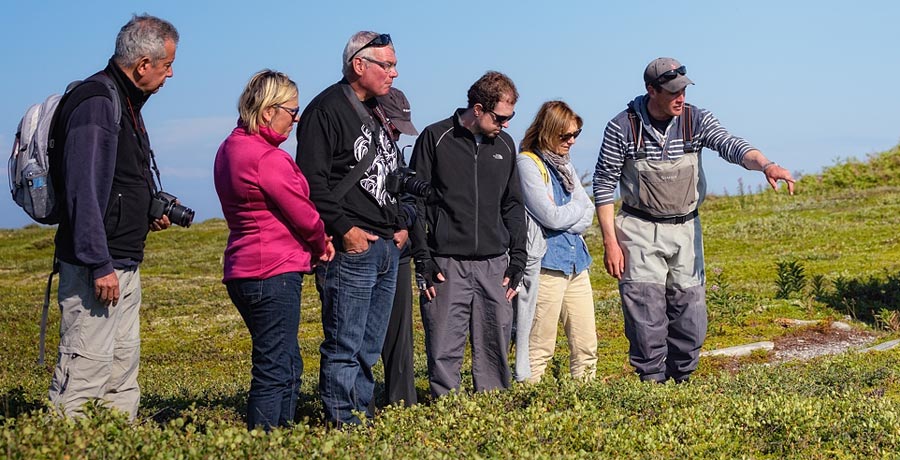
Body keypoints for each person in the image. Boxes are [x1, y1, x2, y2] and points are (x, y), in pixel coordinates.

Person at [593, 57, 795, 383]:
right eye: (672, 91)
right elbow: (603, 184)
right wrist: (610, 242)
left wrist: (766, 165)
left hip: (686, 230)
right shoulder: (622, 127)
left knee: (690, 316)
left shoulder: (695, 120)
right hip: (639, 231)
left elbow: (731, 145)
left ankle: (683, 383)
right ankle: (652, 389)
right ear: (651, 90)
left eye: (683, 90)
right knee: (646, 318)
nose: (680, 97)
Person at [47, 14, 179, 420]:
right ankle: (64, 445)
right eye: (167, 65)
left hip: (121, 260)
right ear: (143, 64)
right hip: (98, 268)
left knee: (121, 367)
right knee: (85, 366)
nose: (170, 75)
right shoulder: (96, 103)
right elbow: (82, 190)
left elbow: (115, 184)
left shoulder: (123, 102)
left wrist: (143, 214)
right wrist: (97, 261)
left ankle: (117, 440)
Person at [295, 31, 408, 426]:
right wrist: (344, 230)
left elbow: (393, 173)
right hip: (351, 249)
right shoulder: (324, 111)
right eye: (387, 64)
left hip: (385, 245)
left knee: (369, 347)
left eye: (394, 64)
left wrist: (401, 225)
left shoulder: (380, 109)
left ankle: (362, 416)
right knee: (344, 344)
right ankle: (344, 425)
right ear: (359, 65)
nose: (394, 73)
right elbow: (311, 180)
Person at [214, 70, 334, 430]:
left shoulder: (229, 148)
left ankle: (279, 434)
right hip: (272, 271)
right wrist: (322, 243)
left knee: (283, 360)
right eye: (292, 112)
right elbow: (303, 213)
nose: (295, 120)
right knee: (274, 367)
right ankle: (267, 439)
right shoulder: (267, 158)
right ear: (268, 111)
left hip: (243, 268)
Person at [410, 71, 526, 397]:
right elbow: (414, 202)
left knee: (495, 349)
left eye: (511, 117)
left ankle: (490, 417)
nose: (506, 124)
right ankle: (447, 416)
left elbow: (513, 205)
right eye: (501, 117)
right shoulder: (435, 138)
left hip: (495, 265)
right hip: (446, 264)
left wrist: (517, 260)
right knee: (443, 347)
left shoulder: (505, 143)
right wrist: (424, 258)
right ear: (478, 109)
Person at [517, 101, 597, 383]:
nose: (572, 141)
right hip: (547, 266)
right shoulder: (528, 163)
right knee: (539, 346)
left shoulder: (565, 165)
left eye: (576, 134)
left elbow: (588, 212)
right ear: (548, 131)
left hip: (577, 263)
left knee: (586, 344)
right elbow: (549, 216)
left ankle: (586, 399)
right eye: (566, 135)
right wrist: (573, 210)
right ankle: (529, 405)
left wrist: (569, 212)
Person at [375, 87, 419, 406]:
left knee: (401, 337)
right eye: (393, 124)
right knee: (357, 336)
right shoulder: (356, 140)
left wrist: (403, 223)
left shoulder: (394, 147)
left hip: (398, 250)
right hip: (363, 248)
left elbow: (410, 196)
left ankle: (402, 403)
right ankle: (358, 410)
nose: (396, 132)